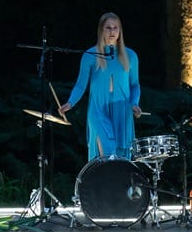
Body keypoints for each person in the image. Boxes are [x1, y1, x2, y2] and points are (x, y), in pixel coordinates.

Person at [60, 12, 144, 162]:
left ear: (120, 31)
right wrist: (70, 102)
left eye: (115, 28)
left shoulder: (130, 56)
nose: (112, 31)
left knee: (121, 156)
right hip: (98, 109)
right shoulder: (91, 55)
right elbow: (80, 85)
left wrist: (135, 103)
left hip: (122, 109)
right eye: (108, 28)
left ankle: (120, 185)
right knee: (106, 152)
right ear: (101, 30)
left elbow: (134, 84)